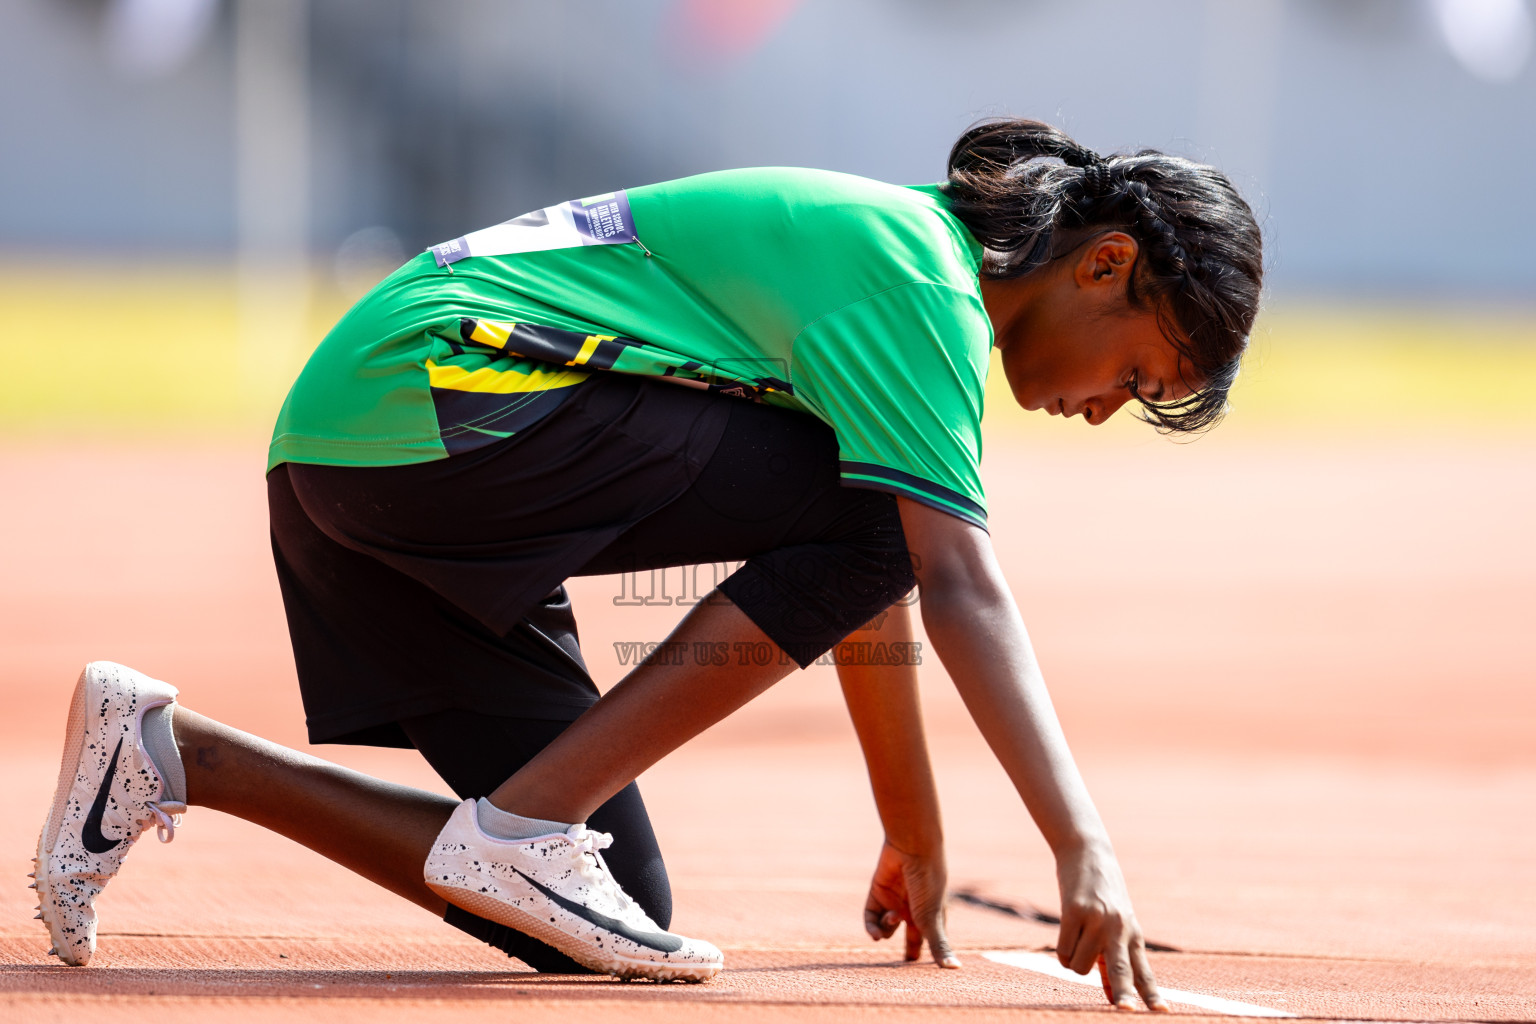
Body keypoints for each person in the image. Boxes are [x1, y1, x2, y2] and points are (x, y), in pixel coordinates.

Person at [32, 118, 1262, 1005]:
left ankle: (167, 752)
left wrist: (913, 824)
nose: (1108, 411)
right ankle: (525, 821)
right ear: (1106, 264)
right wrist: (1081, 841)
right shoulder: (918, 274)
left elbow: (871, 559)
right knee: (888, 516)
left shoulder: (910, 284)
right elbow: (945, 574)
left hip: (353, 449)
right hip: (444, 408)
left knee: (606, 908)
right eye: (1139, 375)